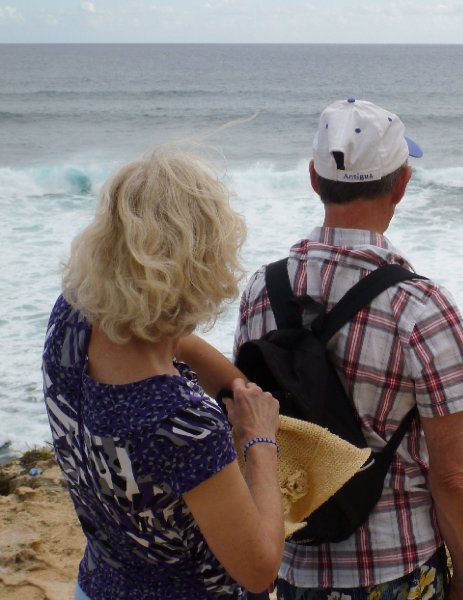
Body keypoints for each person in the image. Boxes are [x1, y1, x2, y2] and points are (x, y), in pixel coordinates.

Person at [234, 98, 463, 600]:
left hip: (292, 565)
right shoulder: (420, 306)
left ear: (313, 177)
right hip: (395, 566)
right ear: (402, 184)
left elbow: (250, 424)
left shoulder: (261, 290)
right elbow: (453, 475)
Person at [41, 149, 285, 599]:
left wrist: (235, 387)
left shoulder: (73, 316)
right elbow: (259, 569)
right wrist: (260, 440)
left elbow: (174, 341)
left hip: (98, 585)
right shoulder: (183, 424)